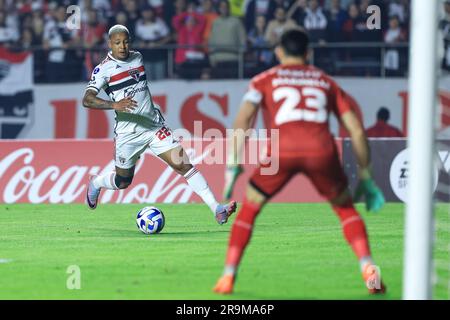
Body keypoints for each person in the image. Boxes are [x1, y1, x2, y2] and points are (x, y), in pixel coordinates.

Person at [214, 29, 386, 295]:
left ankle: (227, 276)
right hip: (322, 152)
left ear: (279, 52)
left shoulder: (263, 80)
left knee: (249, 210)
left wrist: (232, 163)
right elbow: (356, 130)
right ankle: (369, 272)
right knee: (346, 211)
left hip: (281, 152)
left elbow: (243, 119)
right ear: (308, 53)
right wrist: (366, 175)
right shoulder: (326, 82)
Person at [82, 25, 236, 225]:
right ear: (109, 44)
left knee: (183, 165)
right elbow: (87, 99)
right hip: (128, 133)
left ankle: (217, 208)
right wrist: (114, 105)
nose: (122, 46)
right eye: (117, 42)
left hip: (154, 127)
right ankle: (96, 182)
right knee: (123, 181)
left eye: (126, 41)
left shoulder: (137, 57)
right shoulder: (103, 69)